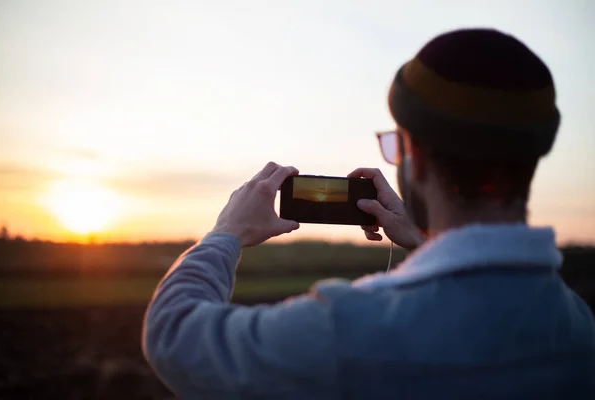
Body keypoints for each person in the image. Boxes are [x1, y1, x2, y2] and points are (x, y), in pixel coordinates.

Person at [142, 28, 595, 399]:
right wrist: (423, 239)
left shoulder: (347, 330)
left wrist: (225, 233)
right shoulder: (578, 326)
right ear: (533, 157)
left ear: (414, 152)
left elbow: (173, 335)